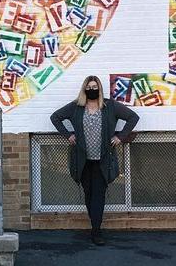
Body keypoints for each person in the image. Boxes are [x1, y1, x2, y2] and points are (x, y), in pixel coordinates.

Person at [50, 75, 139, 246]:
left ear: (99, 88)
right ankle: (95, 224)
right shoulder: (76, 107)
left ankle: (96, 231)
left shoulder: (109, 106)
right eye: (89, 87)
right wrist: (68, 135)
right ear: (84, 89)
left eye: (95, 87)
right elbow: (55, 117)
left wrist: (120, 137)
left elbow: (133, 117)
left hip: (102, 159)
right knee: (89, 194)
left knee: (98, 195)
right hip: (82, 159)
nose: (92, 90)